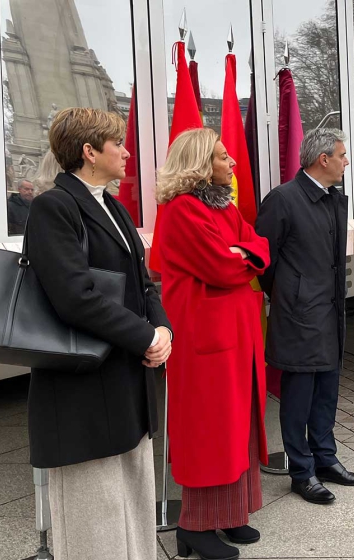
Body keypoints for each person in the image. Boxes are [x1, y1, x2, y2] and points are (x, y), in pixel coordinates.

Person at [24, 107, 172, 560]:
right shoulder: (55, 206)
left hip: (126, 375)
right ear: (89, 152)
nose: (128, 153)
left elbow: (143, 281)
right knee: (95, 515)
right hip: (82, 386)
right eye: (118, 145)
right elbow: (75, 297)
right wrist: (146, 337)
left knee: (132, 495)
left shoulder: (112, 206)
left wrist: (162, 325)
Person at [155, 128, 270, 560]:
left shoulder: (221, 207)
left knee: (238, 423)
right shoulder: (182, 210)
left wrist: (245, 253)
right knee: (210, 429)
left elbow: (259, 244)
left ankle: (229, 512)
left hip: (234, 334)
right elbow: (223, 266)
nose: (232, 163)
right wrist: (242, 256)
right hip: (205, 339)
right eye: (223, 157)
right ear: (201, 166)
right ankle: (194, 526)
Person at [255, 128, 354, 505]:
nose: (346, 162)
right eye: (342, 155)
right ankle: (300, 471)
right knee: (299, 396)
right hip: (300, 315)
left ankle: (325, 459)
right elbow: (263, 262)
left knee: (326, 392)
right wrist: (292, 294)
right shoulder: (283, 200)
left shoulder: (333, 198)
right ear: (323, 160)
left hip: (331, 310)